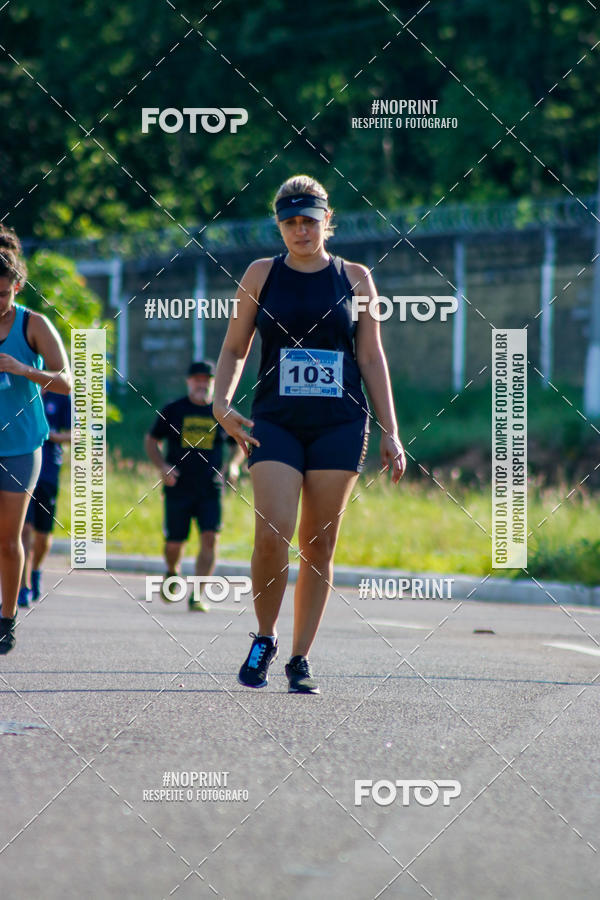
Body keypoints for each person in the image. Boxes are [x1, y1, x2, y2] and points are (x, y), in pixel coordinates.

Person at [213, 174, 406, 694]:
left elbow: (370, 356)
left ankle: (300, 658)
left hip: (339, 424)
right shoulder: (260, 275)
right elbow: (235, 348)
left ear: (327, 220)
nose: (300, 231)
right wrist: (220, 401)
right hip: (275, 420)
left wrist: (391, 431)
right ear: (279, 225)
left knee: (317, 546)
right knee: (271, 532)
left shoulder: (357, 278)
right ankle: (265, 638)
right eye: (290, 222)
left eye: (309, 221)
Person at [0, 225, 71, 654]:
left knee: (9, 540)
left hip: (22, 445)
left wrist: (22, 369)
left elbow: (66, 381)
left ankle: (6, 619)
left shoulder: (33, 324)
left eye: (2, 294)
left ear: (17, 286)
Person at [145, 360, 245, 612]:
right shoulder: (173, 410)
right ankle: (172, 571)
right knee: (174, 543)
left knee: (210, 538)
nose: (202, 384)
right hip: (178, 486)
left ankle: (199, 593)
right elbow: (151, 440)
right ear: (189, 382)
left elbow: (239, 445)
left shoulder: (221, 412)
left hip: (210, 487)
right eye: (197, 379)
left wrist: (233, 466)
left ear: (213, 383)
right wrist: (162, 465)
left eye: (207, 380)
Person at [19, 387, 71, 607]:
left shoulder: (61, 397)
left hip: (48, 472)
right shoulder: (19, 393)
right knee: (24, 530)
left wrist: (47, 433)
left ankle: (37, 569)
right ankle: (23, 586)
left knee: (42, 535)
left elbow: (73, 434)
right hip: (22, 469)